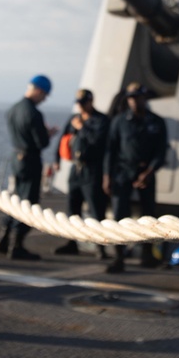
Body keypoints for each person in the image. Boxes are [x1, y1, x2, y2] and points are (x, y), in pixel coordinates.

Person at [103, 82, 167, 273]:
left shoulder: (156, 122)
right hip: (123, 172)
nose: (134, 101)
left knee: (148, 216)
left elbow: (161, 151)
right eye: (131, 98)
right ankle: (119, 257)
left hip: (146, 173)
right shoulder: (119, 121)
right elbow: (110, 150)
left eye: (137, 97)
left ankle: (147, 255)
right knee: (120, 215)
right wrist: (107, 176)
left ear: (144, 98)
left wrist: (150, 172)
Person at [0, 74, 55, 260]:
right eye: (44, 95)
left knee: (15, 199)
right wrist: (48, 133)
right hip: (30, 159)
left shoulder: (13, 109)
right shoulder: (34, 113)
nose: (44, 99)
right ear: (39, 90)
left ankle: (3, 240)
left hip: (16, 157)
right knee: (28, 201)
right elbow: (41, 142)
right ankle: (16, 246)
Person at [52, 89, 110, 257]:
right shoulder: (74, 119)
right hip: (76, 169)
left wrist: (82, 127)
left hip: (92, 169)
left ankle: (101, 247)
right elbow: (64, 137)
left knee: (96, 209)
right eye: (78, 103)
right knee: (72, 208)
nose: (81, 107)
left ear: (91, 102)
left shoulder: (101, 120)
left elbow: (96, 141)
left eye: (83, 103)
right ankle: (72, 243)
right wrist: (57, 159)